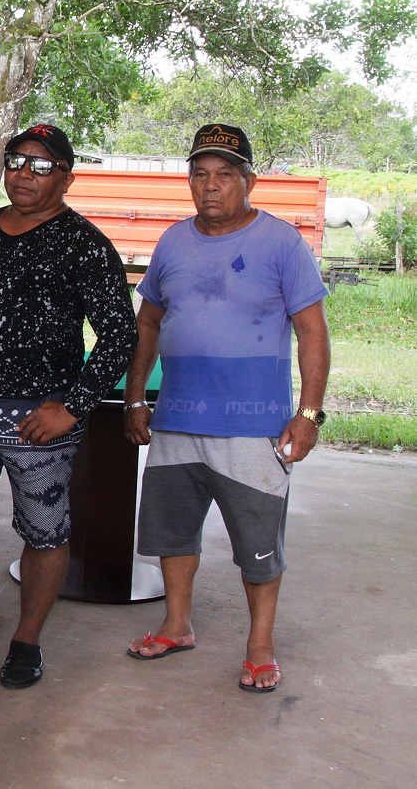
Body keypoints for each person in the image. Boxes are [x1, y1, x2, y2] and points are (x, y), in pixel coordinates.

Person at [0, 123, 137, 688]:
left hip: (39, 421)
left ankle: (25, 642)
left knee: (44, 532)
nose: (24, 174)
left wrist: (75, 406)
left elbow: (118, 335)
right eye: (17, 161)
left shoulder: (85, 243)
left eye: (41, 166)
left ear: (66, 176)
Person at [123, 124, 330, 695]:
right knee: (172, 532)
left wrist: (308, 414)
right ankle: (177, 624)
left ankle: (260, 645)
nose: (210, 186)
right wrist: (137, 397)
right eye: (200, 174)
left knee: (258, 543)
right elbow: (148, 323)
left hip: (252, 425)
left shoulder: (282, 242)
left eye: (224, 174)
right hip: (177, 421)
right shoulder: (173, 241)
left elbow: (312, 330)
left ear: (249, 181)